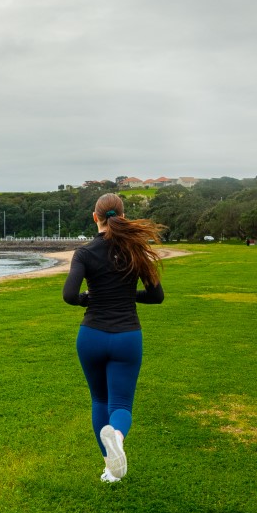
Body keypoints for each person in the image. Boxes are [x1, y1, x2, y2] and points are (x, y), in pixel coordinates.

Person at [62, 194, 166, 483]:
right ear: (121, 215)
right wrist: (124, 294)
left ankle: (111, 470)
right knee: (120, 404)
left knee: (99, 400)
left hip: (91, 336)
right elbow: (157, 297)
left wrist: (88, 299)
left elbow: (70, 296)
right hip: (126, 337)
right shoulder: (137, 250)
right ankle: (117, 437)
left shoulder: (84, 252)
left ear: (95, 217)